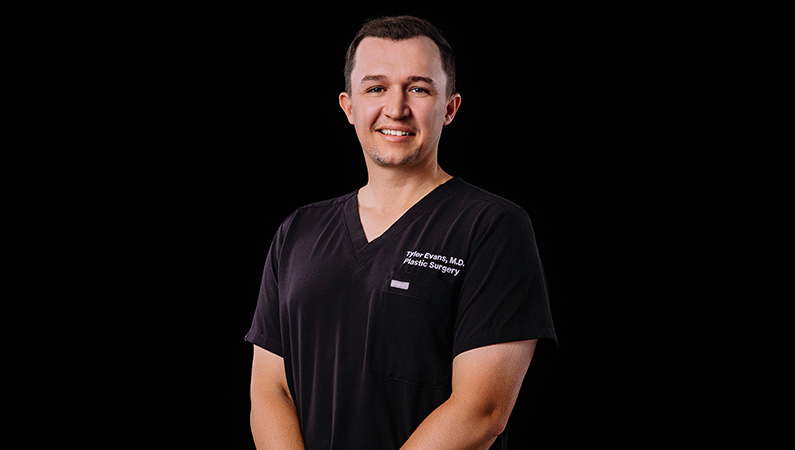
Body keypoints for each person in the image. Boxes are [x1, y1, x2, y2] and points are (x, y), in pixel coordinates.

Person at [246, 16, 556, 449]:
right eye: (376, 88)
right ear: (348, 105)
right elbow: (269, 392)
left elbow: (481, 411)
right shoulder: (298, 231)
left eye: (419, 88)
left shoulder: (491, 227)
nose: (396, 108)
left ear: (450, 108)